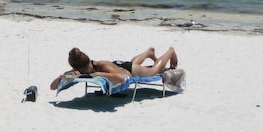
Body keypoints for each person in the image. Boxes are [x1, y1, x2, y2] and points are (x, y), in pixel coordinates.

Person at [50, 46, 178, 90]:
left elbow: (121, 79)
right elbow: (53, 86)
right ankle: (149, 52)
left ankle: (170, 52)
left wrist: (99, 75)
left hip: (129, 71)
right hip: (118, 66)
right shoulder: (78, 69)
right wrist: (63, 76)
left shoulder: (101, 65)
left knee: (154, 70)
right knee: (134, 62)